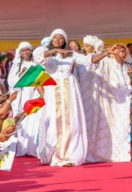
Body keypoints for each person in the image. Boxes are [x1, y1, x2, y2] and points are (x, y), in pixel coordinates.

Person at [33, 29, 124, 166]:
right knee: (53, 124)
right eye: (55, 37)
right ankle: (54, 155)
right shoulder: (45, 53)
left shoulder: (71, 55)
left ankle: (70, 156)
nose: (58, 39)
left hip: (69, 88)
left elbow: (89, 61)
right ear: (52, 40)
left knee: (72, 123)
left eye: (61, 38)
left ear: (64, 41)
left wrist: (106, 53)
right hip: (52, 89)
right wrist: (54, 52)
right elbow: (38, 57)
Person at [8, 42, 41, 157]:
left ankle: (31, 148)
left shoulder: (35, 64)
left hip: (32, 95)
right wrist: (19, 75)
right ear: (20, 53)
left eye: (27, 50)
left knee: (32, 120)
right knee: (20, 121)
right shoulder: (16, 65)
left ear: (31, 51)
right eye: (23, 50)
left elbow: (40, 80)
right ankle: (21, 149)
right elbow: (10, 82)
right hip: (20, 96)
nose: (25, 52)